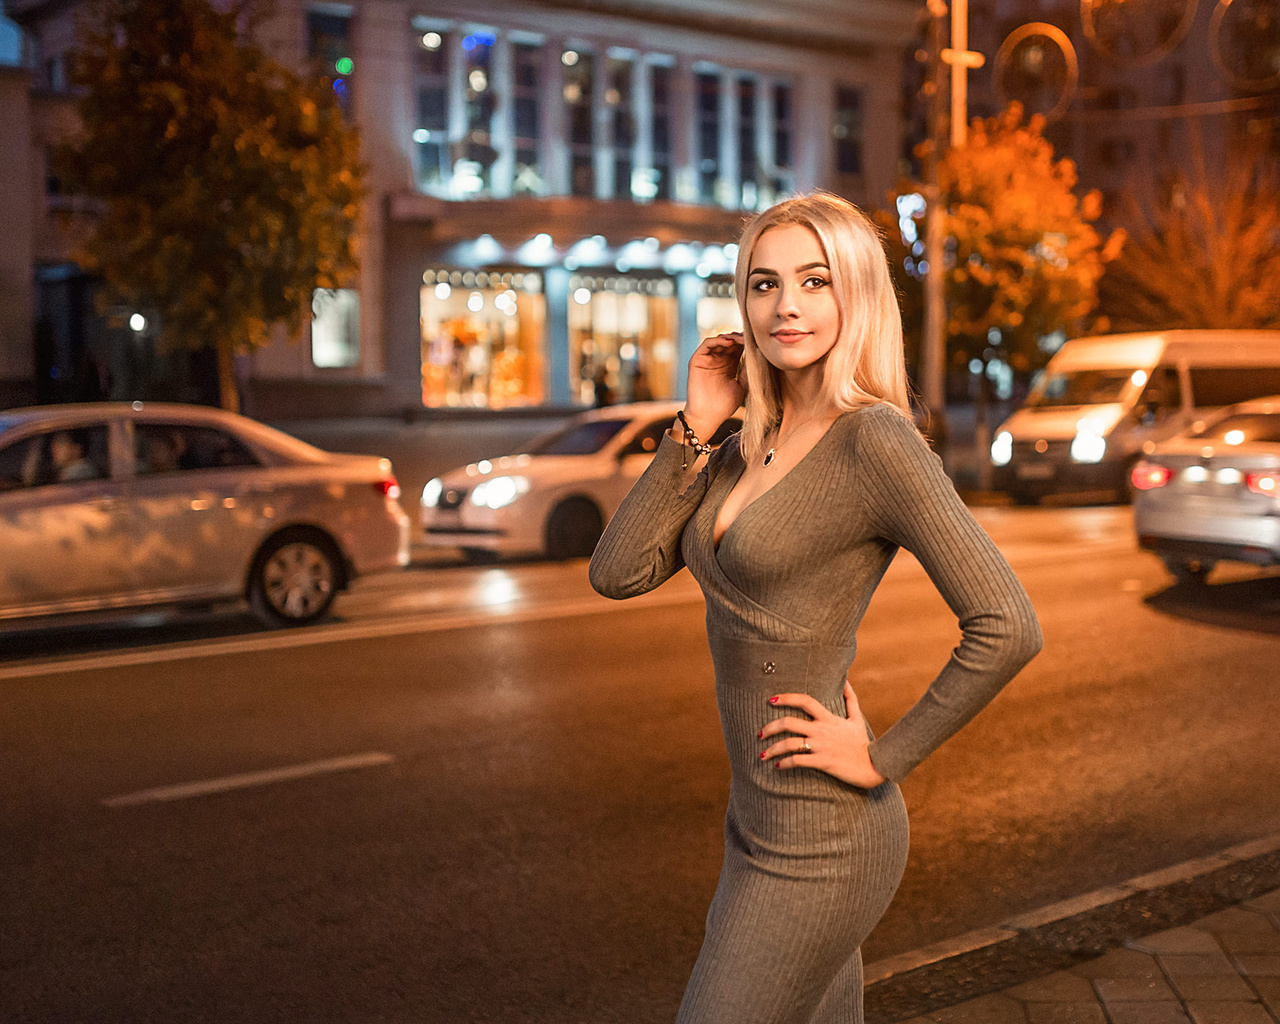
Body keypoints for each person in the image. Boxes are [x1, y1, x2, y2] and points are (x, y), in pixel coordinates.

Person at [588, 192, 1041, 1024]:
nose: (785, 305)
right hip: (753, 823)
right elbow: (616, 573)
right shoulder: (736, 446)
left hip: (827, 836)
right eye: (763, 284)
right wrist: (693, 424)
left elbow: (1008, 623)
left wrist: (882, 756)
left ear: (855, 295)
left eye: (813, 280)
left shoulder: (876, 441)